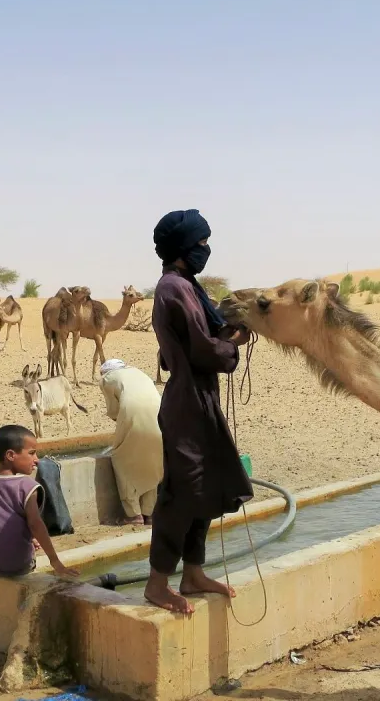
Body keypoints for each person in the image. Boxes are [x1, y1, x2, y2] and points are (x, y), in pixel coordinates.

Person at [145, 208, 254, 614]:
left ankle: (192, 574)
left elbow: (195, 341)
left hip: (200, 399)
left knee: (207, 486)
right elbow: (200, 348)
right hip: (186, 404)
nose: (206, 249)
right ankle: (157, 583)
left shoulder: (188, 285)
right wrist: (232, 345)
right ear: (184, 247)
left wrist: (224, 334)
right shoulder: (172, 287)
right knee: (182, 491)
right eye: (201, 243)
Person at [0, 424, 78, 643]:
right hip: (22, 564)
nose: (36, 459)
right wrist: (55, 561)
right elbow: (36, 524)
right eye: (31, 453)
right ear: (10, 455)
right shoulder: (27, 486)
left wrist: (24, 538)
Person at [98, 358, 164, 525]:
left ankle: (133, 514)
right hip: (160, 414)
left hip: (133, 414)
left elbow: (114, 410)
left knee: (122, 458)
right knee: (153, 459)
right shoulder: (139, 373)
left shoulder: (107, 378)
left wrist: (118, 421)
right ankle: (149, 512)